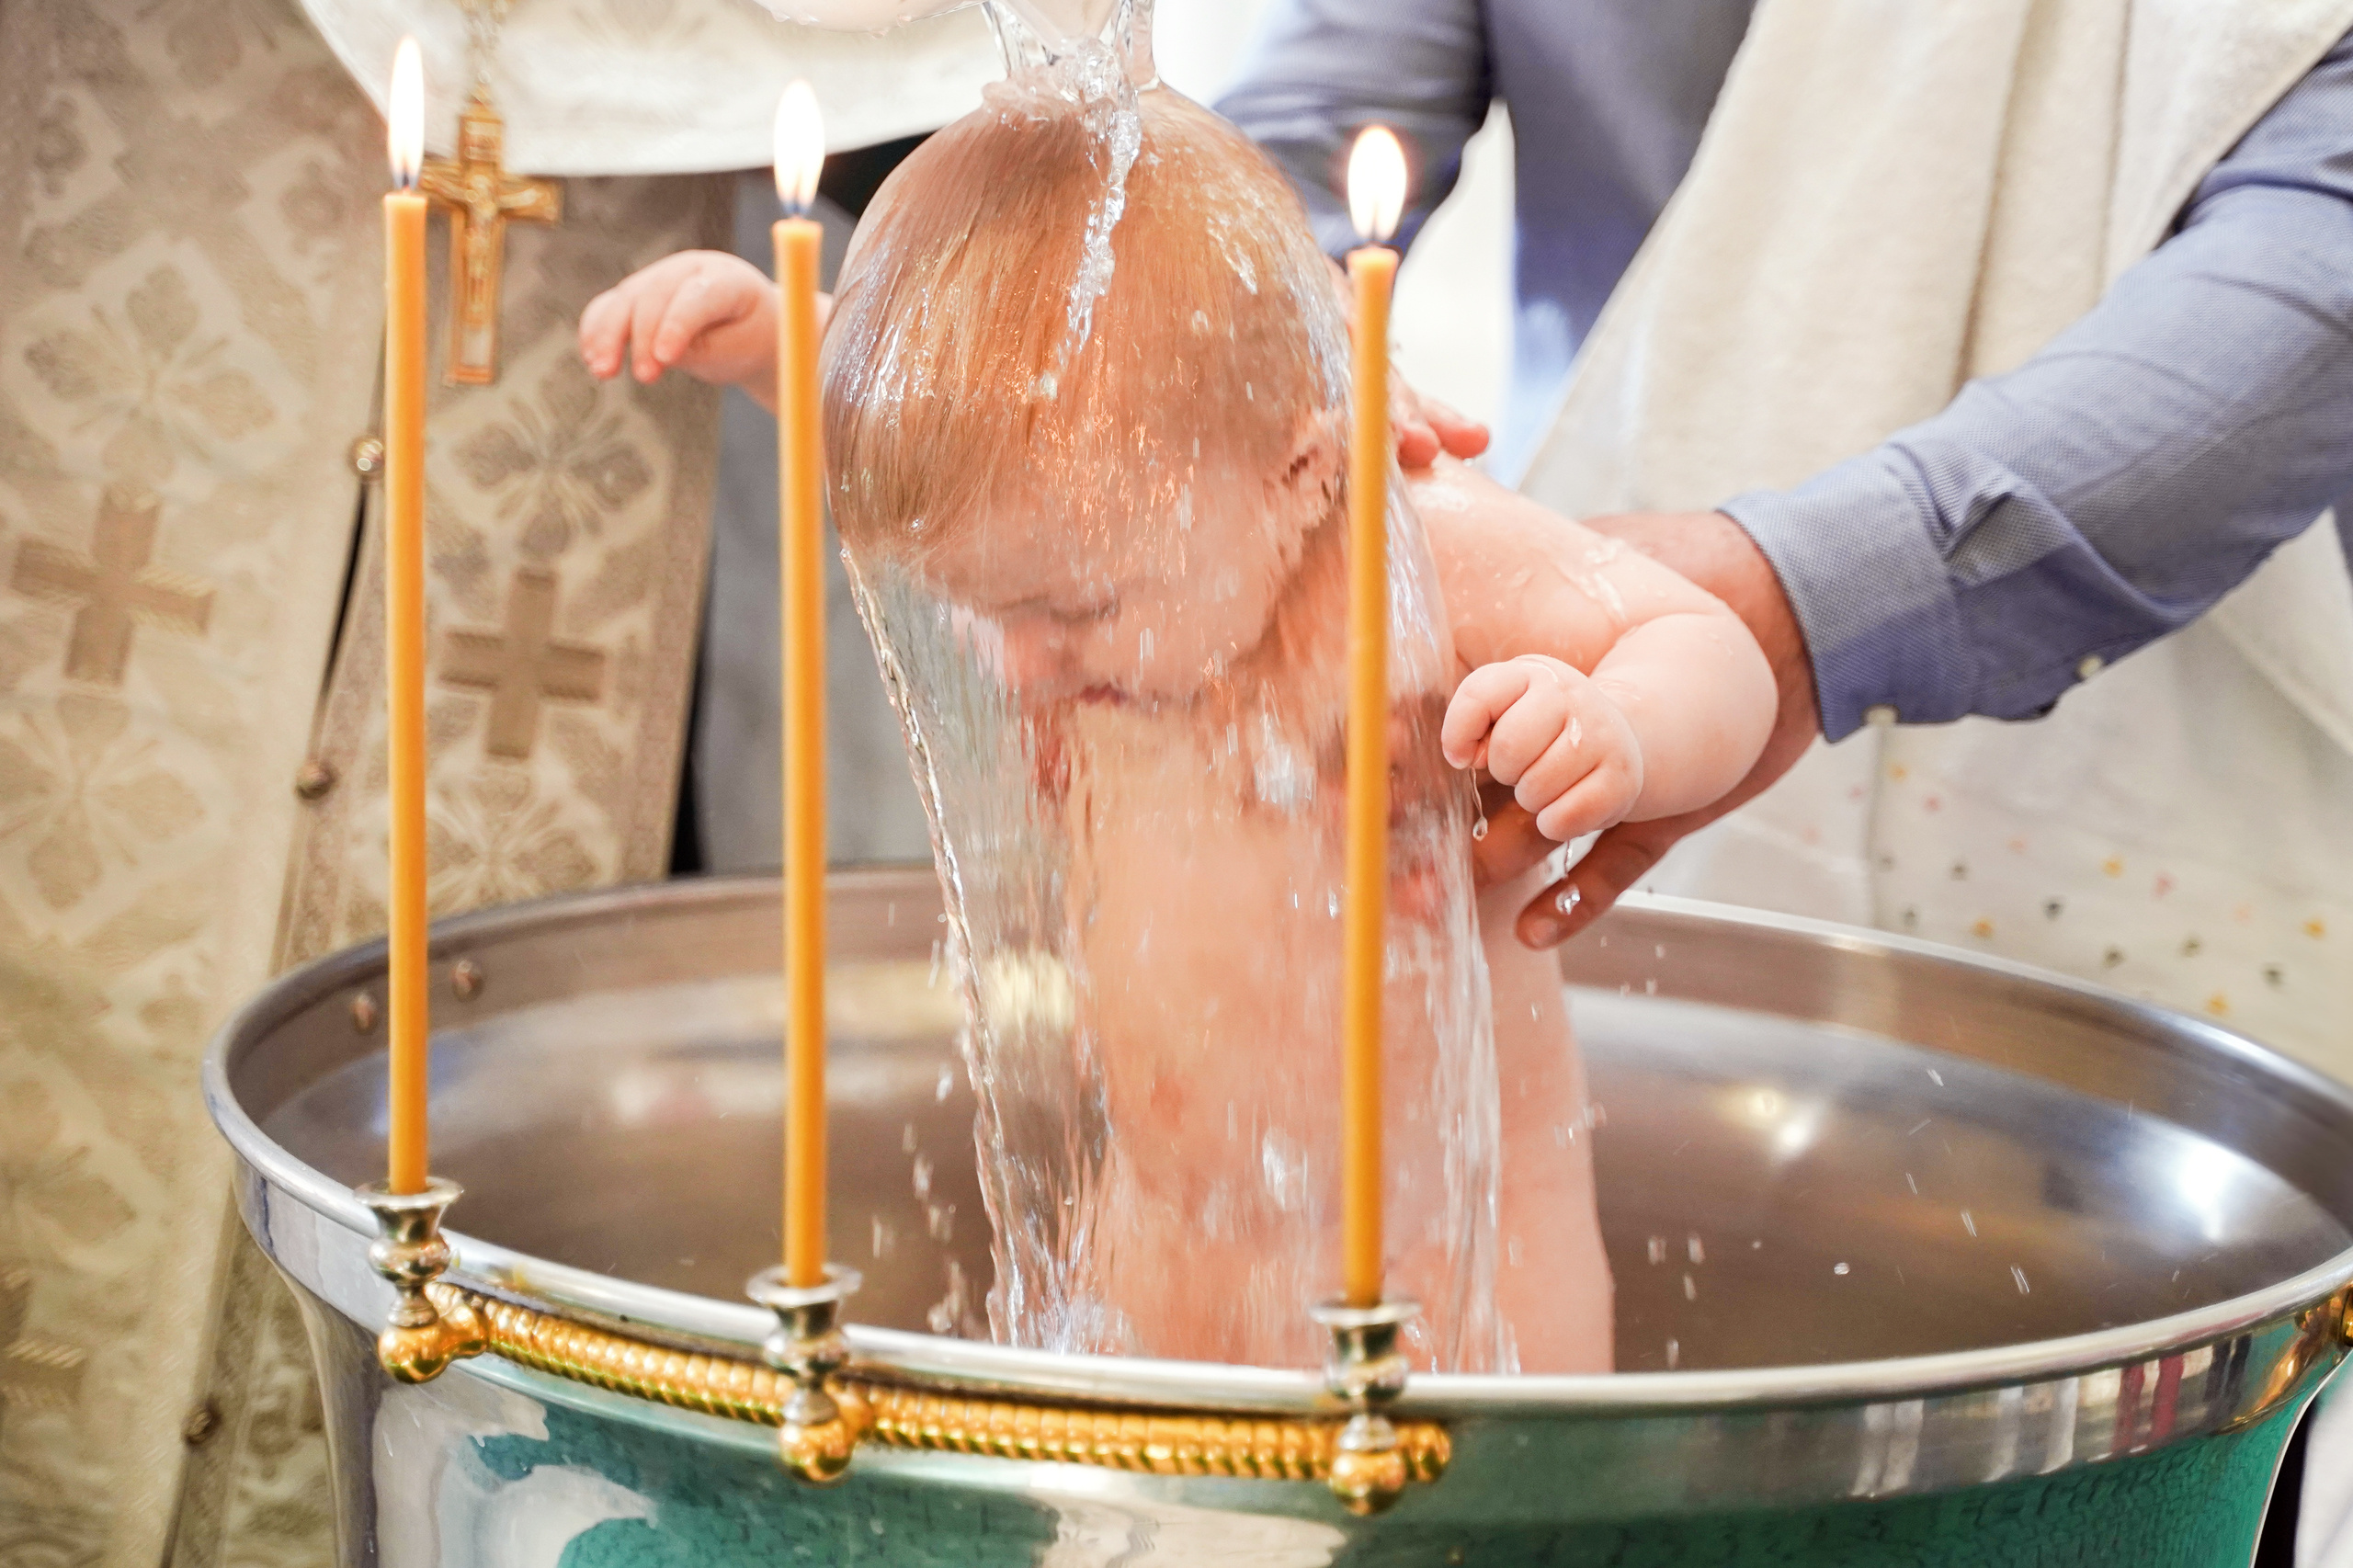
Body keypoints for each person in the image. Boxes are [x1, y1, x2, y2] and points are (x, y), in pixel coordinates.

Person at [581, 77, 1773, 1370]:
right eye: (983, 612)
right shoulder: (1102, 535)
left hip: (1442, 1278)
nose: (1024, 664)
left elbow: (1706, 643)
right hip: (1150, 1242)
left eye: (1074, 607)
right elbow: (972, 435)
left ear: (1301, 473)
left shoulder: (1406, 555)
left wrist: (1620, 725)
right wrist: (774, 342)